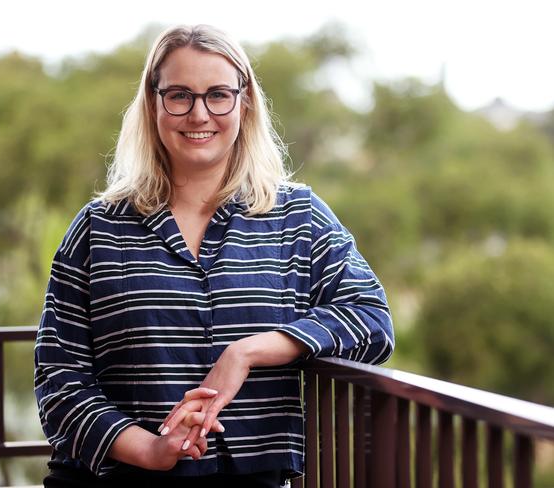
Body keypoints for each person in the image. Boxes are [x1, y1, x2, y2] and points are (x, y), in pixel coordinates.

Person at [34, 24, 394, 488]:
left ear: (244, 103)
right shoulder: (98, 227)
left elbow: (372, 321)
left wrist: (247, 352)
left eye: (218, 95)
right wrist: (148, 447)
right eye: (180, 95)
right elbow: (58, 376)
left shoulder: (298, 216)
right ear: (153, 102)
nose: (199, 113)